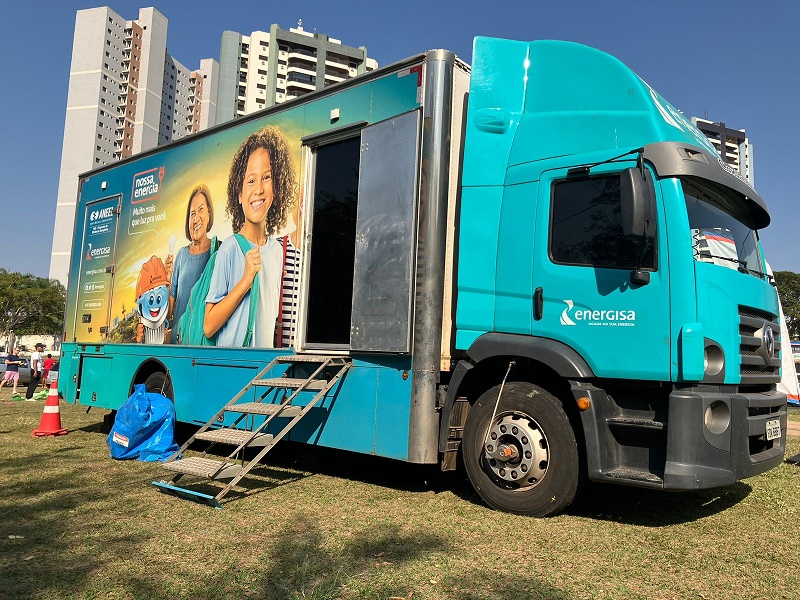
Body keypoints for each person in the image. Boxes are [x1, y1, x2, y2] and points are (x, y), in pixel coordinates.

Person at [204, 125, 298, 348]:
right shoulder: (229, 249)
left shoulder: (277, 253)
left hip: (263, 367)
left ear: (277, 189)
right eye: (251, 180)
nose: (258, 189)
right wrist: (246, 280)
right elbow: (209, 326)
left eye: (266, 178)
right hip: (233, 369)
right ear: (239, 194)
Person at [167, 184, 215, 343]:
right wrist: (167, 280)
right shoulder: (181, 255)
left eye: (201, 210)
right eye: (192, 213)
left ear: (209, 213)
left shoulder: (218, 252)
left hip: (203, 344)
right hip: (177, 342)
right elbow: (168, 314)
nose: (196, 218)